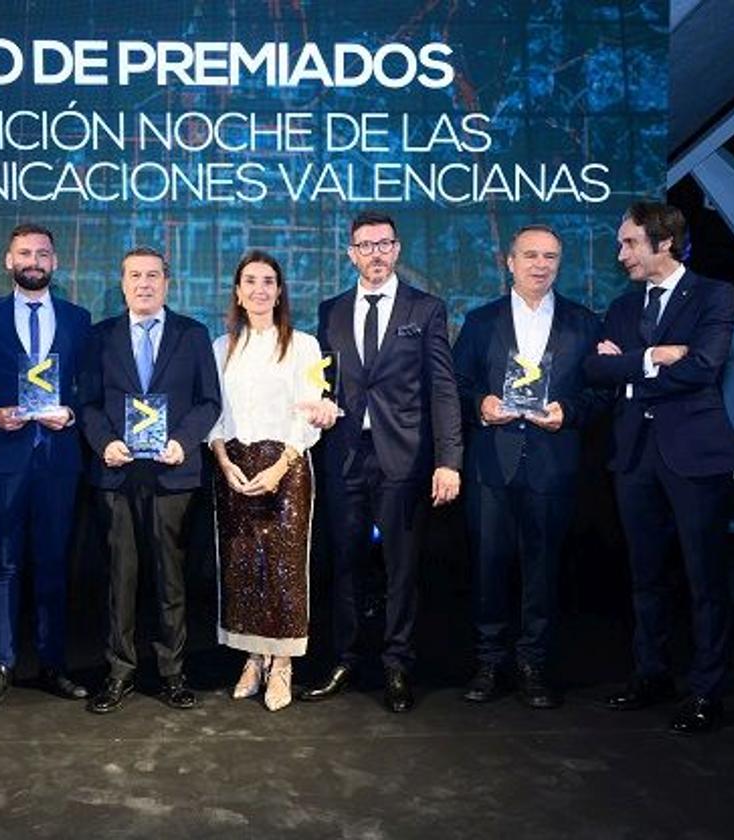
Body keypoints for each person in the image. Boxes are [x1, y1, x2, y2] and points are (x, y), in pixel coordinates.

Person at [585, 202, 734, 734]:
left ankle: (705, 690)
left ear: (664, 242)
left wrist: (630, 364)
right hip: (635, 456)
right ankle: (650, 674)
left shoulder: (714, 295)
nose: (621, 253)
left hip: (695, 456)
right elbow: (595, 367)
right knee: (645, 576)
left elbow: (703, 367)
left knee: (704, 579)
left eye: (629, 243)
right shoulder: (624, 306)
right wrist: (655, 357)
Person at [303, 211, 463, 713]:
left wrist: (449, 459)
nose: (375, 253)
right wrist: (317, 403)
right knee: (345, 565)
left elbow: (442, 387)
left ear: (397, 250)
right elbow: (320, 382)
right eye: (365, 245)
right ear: (351, 253)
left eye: (384, 244)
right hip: (345, 456)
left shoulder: (426, 309)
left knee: (400, 569)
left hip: (404, 458)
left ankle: (397, 665)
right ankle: (346, 660)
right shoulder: (329, 311)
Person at [452, 224, 605, 709]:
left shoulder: (585, 323)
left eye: (551, 257)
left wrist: (570, 413)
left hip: (551, 463)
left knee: (543, 571)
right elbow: (454, 384)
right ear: (509, 262)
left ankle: (534, 665)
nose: (541, 265)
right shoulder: (480, 322)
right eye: (531, 255)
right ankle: (489, 662)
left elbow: (601, 392)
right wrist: (481, 403)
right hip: (491, 464)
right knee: (488, 568)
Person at [79, 246, 221, 713]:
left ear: (167, 282)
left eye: (153, 275)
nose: (144, 283)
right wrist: (104, 444)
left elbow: (208, 402)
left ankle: (172, 673)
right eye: (135, 276)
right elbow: (90, 404)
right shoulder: (99, 337)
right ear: (122, 284)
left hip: (173, 472)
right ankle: (119, 672)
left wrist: (183, 440)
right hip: (117, 474)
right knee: (120, 578)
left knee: (171, 579)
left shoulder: (193, 334)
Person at [0, 223, 91, 708]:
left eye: (43, 253)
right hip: (3, 460)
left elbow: (91, 387)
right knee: (2, 565)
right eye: (24, 252)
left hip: (59, 460)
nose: (34, 260)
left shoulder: (79, 320)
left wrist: (74, 411)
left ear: (55, 263)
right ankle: (1, 664)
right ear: (8, 260)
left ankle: (53, 664)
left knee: (54, 564)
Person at [207, 250, 330, 712]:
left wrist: (279, 467)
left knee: (284, 571)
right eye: (250, 281)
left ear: (279, 291)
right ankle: (253, 658)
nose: (259, 289)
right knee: (242, 569)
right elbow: (214, 414)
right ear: (238, 292)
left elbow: (311, 413)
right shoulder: (221, 347)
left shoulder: (305, 345)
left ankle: (282, 665)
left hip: (287, 465)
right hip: (234, 467)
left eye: (268, 281)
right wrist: (223, 460)